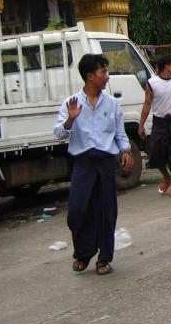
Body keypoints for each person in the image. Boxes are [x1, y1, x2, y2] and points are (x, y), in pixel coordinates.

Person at [54, 54, 135, 275]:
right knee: (78, 211)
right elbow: (58, 133)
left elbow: (119, 133)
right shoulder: (71, 103)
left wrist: (125, 151)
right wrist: (70, 119)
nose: (107, 77)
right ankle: (84, 252)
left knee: (106, 211)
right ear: (90, 76)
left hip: (106, 162)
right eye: (103, 72)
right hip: (83, 163)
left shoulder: (112, 104)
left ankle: (104, 259)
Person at [139, 55, 171, 197]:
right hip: (159, 121)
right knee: (155, 150)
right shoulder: (151, 83)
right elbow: (147, 104)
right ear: (166, 66)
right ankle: (166, 176)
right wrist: (141, 124)